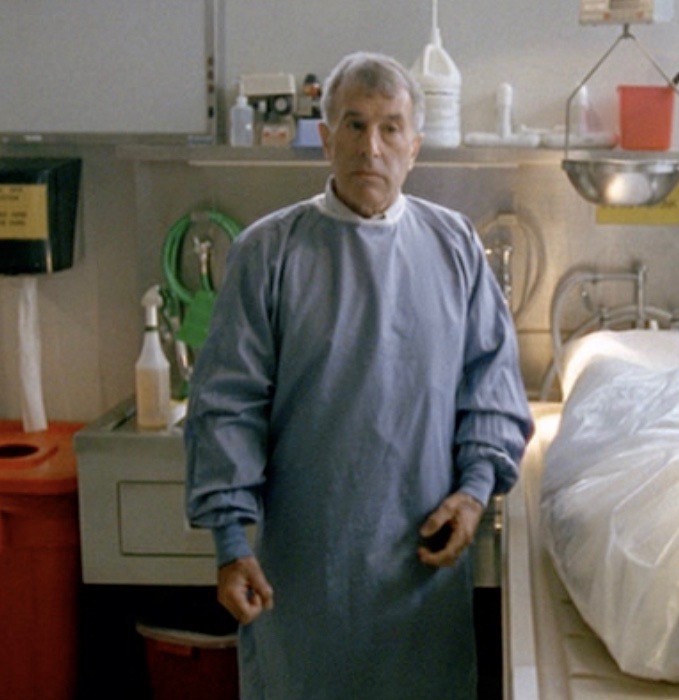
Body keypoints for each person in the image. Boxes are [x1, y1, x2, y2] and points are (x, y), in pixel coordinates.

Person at [184, 51, 533, 699]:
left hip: (421, 570)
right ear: (326, 139)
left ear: (414, 147)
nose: (371, 147)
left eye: (390, 128)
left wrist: (473, 491)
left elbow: (491, 386)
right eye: (354, 125)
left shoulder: (454, 247)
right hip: (305, 574)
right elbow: (227, 404)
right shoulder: (269, 254)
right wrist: (230, 542)